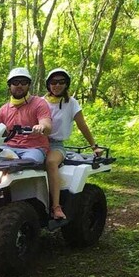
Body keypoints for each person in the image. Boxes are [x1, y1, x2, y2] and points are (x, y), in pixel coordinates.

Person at [43, 68, 102, 220]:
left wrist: (94, 146)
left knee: (51, 163)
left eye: (61, 82)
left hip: (56, 145)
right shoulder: (40, 102)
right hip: (35, 143)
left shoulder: (71, 103)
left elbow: (82, 125)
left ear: (66, 84)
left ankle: (56, 207)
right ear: (48, 84)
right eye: (53, 82)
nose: (57, 85)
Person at [0, 67, 52, 163]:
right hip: (7, 147)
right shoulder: (4, 109)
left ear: (28, 85)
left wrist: (41, 127)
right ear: (9, 86)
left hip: (33, 148)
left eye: (24, 82)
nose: (19, 85)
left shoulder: (39, 103)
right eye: (15, 82)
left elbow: (47, 126)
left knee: (26, 165)